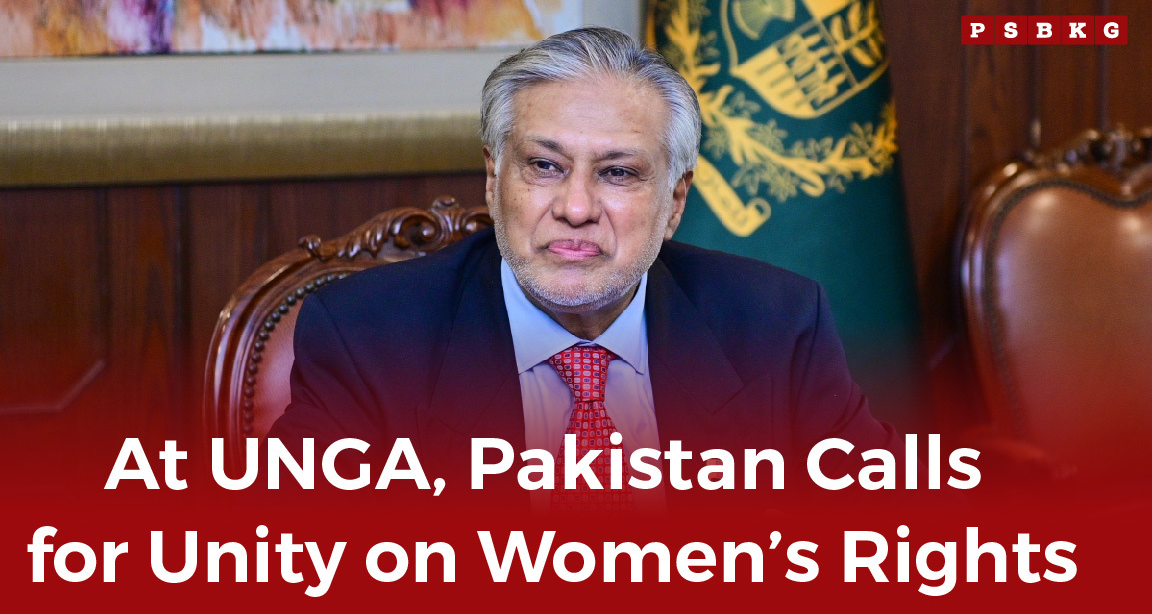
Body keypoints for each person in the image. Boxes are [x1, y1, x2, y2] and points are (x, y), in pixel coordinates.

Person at [270, 27, 902, 509]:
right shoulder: (369, 340)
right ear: (494, 179)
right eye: (544, 166)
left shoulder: (774, 325)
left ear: (674, 202)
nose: (575, 208)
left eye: (619, 173)